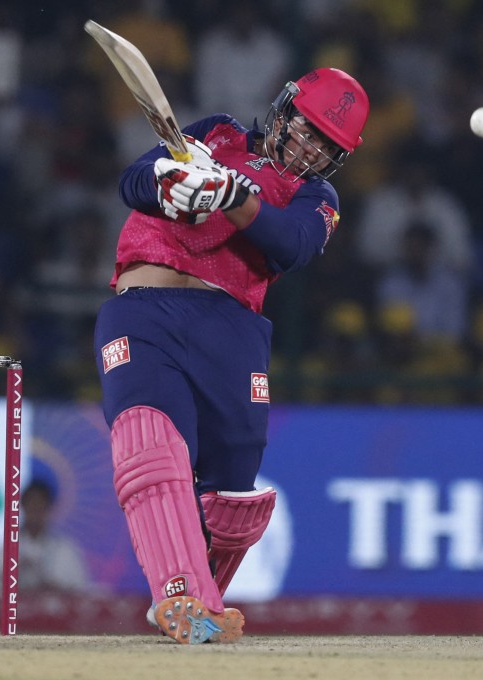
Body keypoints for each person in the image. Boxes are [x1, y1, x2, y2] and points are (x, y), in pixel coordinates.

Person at [93, 67, 369, 644]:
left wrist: (233, 197)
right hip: (145, 308)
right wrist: (169, 180)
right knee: (152, 445)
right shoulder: (216, 135)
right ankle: (181, 596)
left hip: (233, 327)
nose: (309, 147)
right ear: (284, 109)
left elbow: (291, 244)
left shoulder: (319, 197)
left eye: (327, 145)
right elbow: (132, 181)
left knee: (235, 497)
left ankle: (201, 598)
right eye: (307, 128)